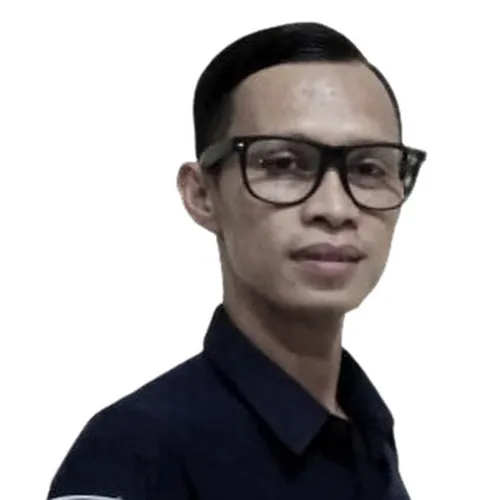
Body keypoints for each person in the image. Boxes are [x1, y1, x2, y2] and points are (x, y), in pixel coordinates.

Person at [47, 21, 426, 500]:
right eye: (283, 164)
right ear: (202, 194)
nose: (334, 208)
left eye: (368, 168)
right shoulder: (132, 454)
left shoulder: (365, 429)